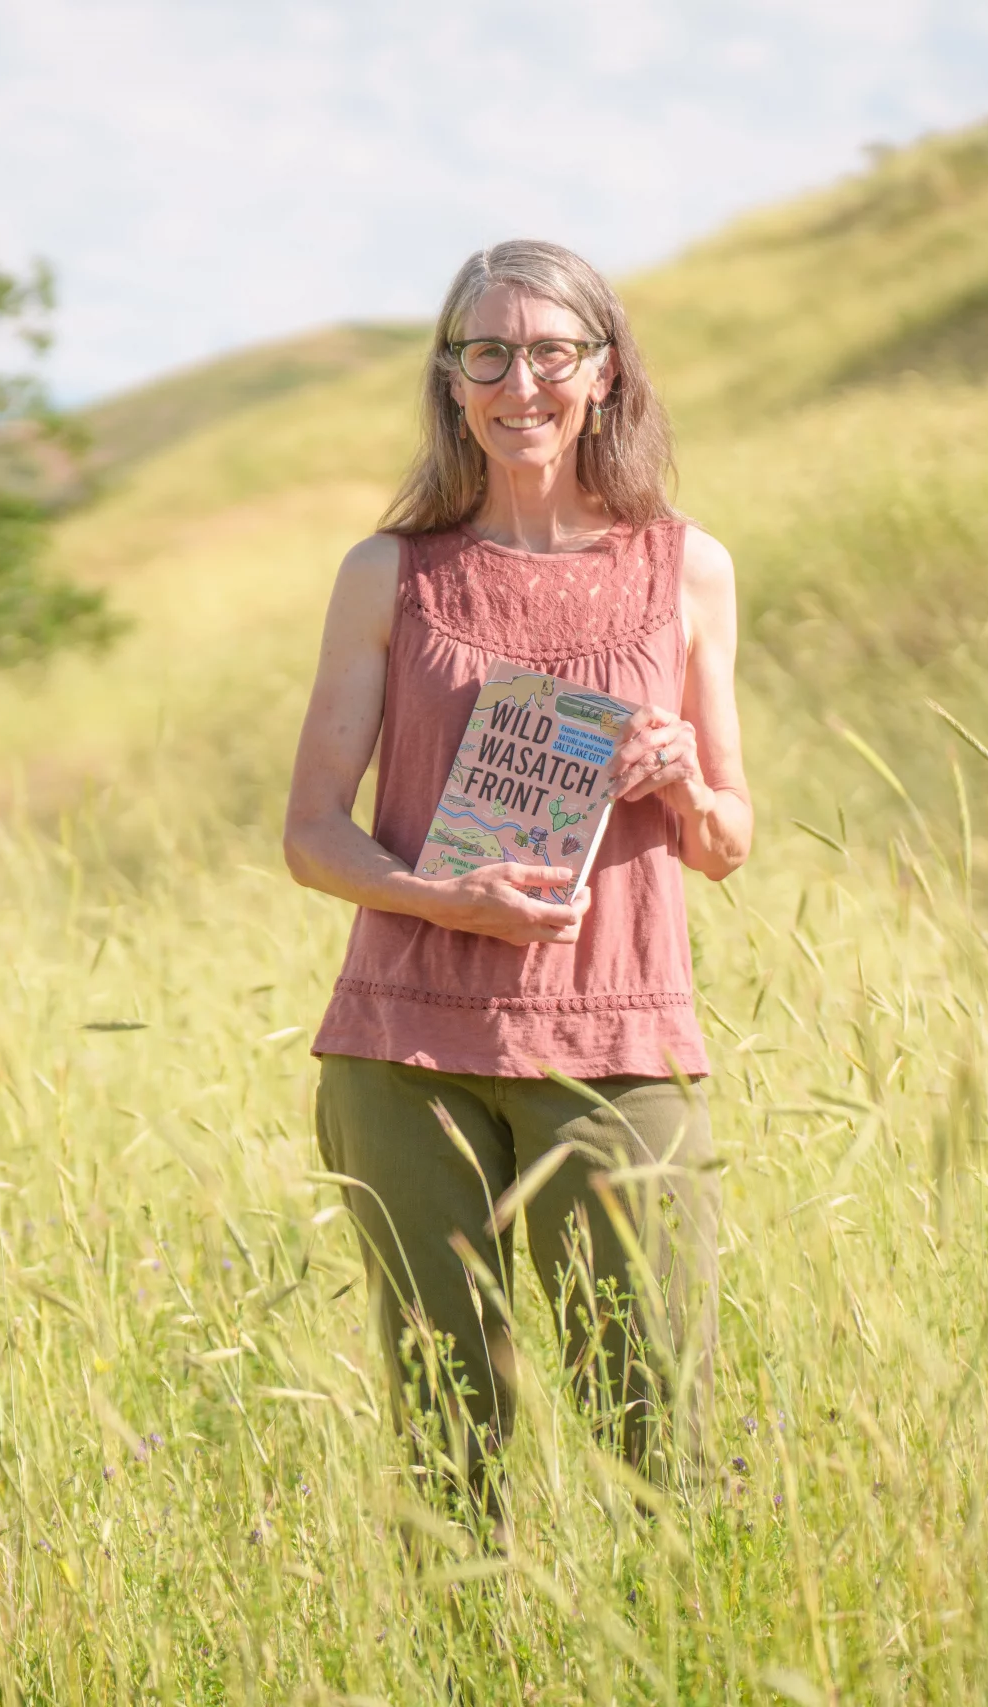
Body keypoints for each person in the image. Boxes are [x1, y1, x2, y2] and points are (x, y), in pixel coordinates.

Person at [283, 240, 753, 1510]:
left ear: (603, 373)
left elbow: (726, 841)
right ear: (451, 381)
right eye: (486, 353)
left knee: (661, 1431)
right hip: (403, 1055)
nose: (519, 382)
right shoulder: (389, 573)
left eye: (551, 351)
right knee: (448, 1445)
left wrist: (680, 782)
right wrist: (447, 901)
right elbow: (311, 834)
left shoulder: (685, 567)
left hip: (617, 1045)